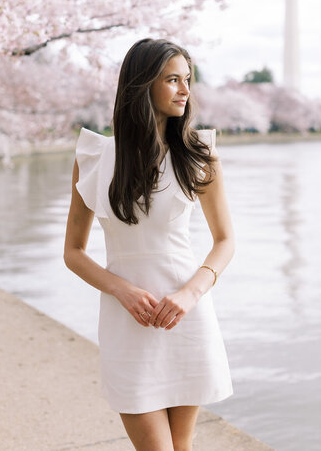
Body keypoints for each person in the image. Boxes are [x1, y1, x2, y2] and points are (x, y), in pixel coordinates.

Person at [64, 38, 235, 451]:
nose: (185, 90)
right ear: (142, 85)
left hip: (186, 316)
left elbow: (225, 240)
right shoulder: (94, 157)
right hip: (128, 321)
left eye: (187, 79)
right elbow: (73, 251)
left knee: (182, 446)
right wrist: (120, 288)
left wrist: (190, 295)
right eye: (172, 79)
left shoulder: (199, 155)